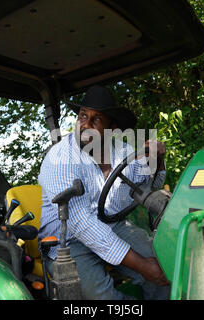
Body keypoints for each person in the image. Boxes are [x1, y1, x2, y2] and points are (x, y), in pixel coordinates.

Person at [38, 85, 170, 299]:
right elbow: (81, 223)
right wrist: (142, 265)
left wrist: (157, 158)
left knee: (166, 267)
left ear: (113, 127)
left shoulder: (124, 151)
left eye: (96, 120)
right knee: (104, 297)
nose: (85, 126)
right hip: (68, 241)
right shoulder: (59, 158)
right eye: (83, 116)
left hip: (113, 226)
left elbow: (150, 186)